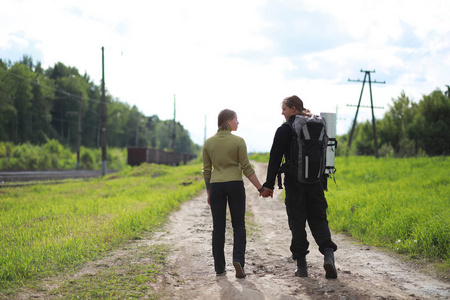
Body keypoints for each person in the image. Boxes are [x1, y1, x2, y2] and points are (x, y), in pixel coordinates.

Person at [261, 95, 338, 279]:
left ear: (294, 109)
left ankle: (302, 267)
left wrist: (269, 185)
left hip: (295, 184)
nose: (282, 113)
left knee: (297, 223)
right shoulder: (319, 125)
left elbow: (275, 158)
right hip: (316, 182)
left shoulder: (285, 129)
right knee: (319, 219)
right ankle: (328, 254)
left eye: (284, 109)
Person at [202, 109, 268, 278]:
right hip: (235, 185)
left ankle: (219, 268)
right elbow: (246, 168)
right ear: (228, 121)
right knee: (239, 225)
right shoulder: (238, 141)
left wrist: (209, 191)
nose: (238, 123)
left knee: (218, 227)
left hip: (216, 186)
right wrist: (260, 188)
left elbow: (207, 171)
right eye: (236, 120)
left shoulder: (208, 143)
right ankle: (238, 260)